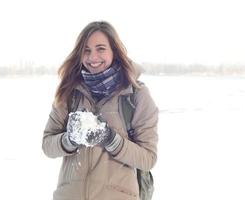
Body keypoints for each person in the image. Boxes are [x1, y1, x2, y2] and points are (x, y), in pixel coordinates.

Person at [42, 21, 158, 200]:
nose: (92, 57)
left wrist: (111, 139)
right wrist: (70, 139)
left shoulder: (135, 94)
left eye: (101, 48)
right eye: (86, 50)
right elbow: (47, 145)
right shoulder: (70, 92)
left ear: (115, 51)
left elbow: (148, 158)